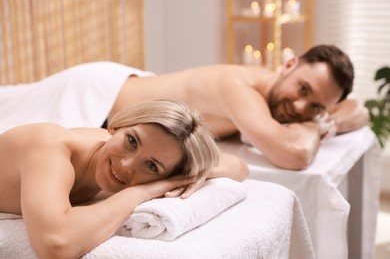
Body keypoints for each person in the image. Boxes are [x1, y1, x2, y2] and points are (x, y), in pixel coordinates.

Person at [0, 44, 369, 170]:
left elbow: (361, 109)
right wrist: (318, 124)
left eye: (315, 105)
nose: (299, 105)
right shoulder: (239, 86)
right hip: (99, 98)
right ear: (288, 65)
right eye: (302, 88)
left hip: (125, 98)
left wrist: (321, 119)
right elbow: (293, 153)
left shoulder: (281, 101)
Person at [0, 99, 248, 259]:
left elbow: (238, 167)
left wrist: (193, 174)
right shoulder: (49, 147)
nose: (127, 165)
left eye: (151, 165)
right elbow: (55, 245)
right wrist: (143, 191)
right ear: (116, 125)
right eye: (132, 141)